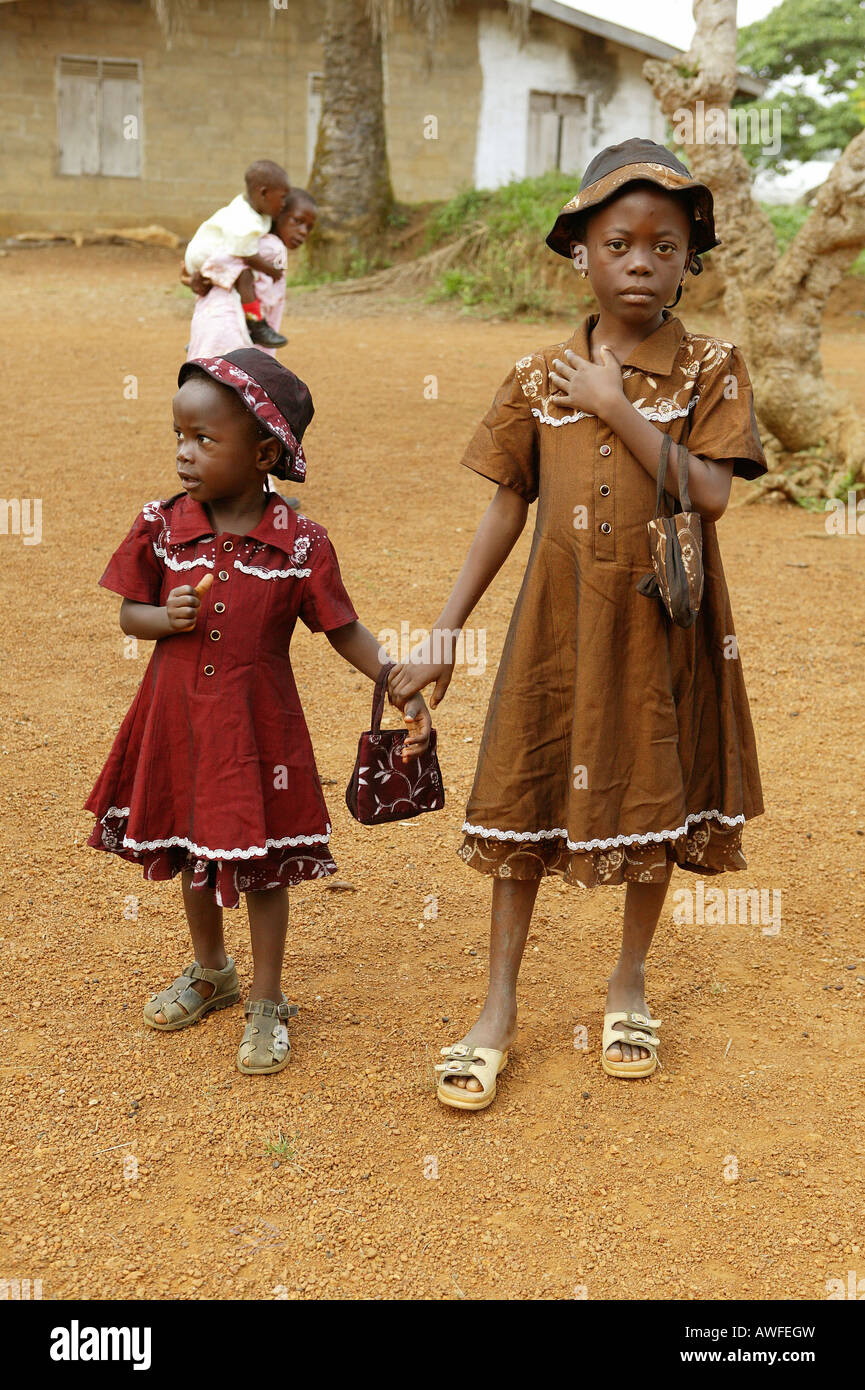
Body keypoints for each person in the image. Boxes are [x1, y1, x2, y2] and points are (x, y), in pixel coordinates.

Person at [389, 138, 768, 1107]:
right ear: (580, 255)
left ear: (689, 260)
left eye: (665, 246)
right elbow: (505, 506)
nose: (641, 262)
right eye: (618, 243)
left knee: (653, 783)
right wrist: (442, 632)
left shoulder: (711, 369)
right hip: (555, 621)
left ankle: (628, 982)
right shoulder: (534, 374)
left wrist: (616, 405)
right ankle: (496, 1007)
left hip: (660, 622)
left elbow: (712, 494)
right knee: (523, 787)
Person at [86, 349, 430, 1075]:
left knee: (264, 866)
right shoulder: (161, 525)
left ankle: (267, 1000)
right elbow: (128, 614)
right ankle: (211, 970)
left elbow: (340, 628)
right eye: (178, 435)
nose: (184, 453)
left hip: (258, 731)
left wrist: (397, 681)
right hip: (177, 720)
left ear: (264, 452)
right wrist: (163, 617)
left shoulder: (299, 544)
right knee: (190, 845)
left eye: (205, 440)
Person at [182, 190, 318, 360]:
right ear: (277, 215)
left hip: (222, 327)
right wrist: (195, 278)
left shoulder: (266, 246)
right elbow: (220, 261)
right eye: (297, 221)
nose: (304, 231)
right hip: (230, 329)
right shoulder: (267, 246)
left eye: (309, 227)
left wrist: (193, 280)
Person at [183, 160, 290, 348]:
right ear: (263, 193)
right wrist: (271, 270)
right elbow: (246, 254)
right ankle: (255, 322)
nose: (284, 204)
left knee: (225, 289)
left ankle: (201, 335)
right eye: (282, 198)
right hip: (204, 254)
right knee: (244, 276)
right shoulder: (245, 219)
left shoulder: (256, 211)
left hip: (214, 252)